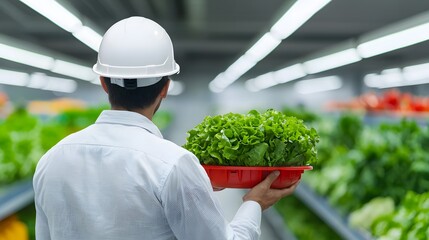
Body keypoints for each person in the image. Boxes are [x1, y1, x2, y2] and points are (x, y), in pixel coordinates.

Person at [33, 16, 299, 240]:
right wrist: (255, 203)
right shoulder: (173, 165)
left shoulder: (51, 160)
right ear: (166, 87)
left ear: (103, 82)